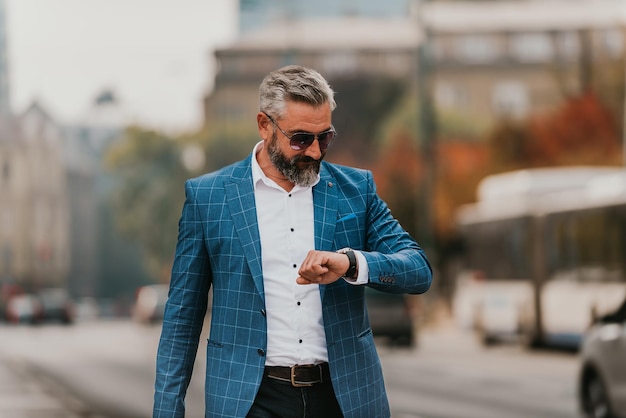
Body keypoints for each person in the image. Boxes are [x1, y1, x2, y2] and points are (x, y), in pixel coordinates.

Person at [153, 65, 433, 418]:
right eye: (301, 138)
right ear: (264, 125)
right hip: (249, 401)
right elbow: (182, 319)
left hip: (344, 398)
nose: (315, 152)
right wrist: (167, 410)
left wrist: (351, 263)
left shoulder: (355, 190)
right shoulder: (208, 198)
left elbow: (418, 270)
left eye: (325, 137)